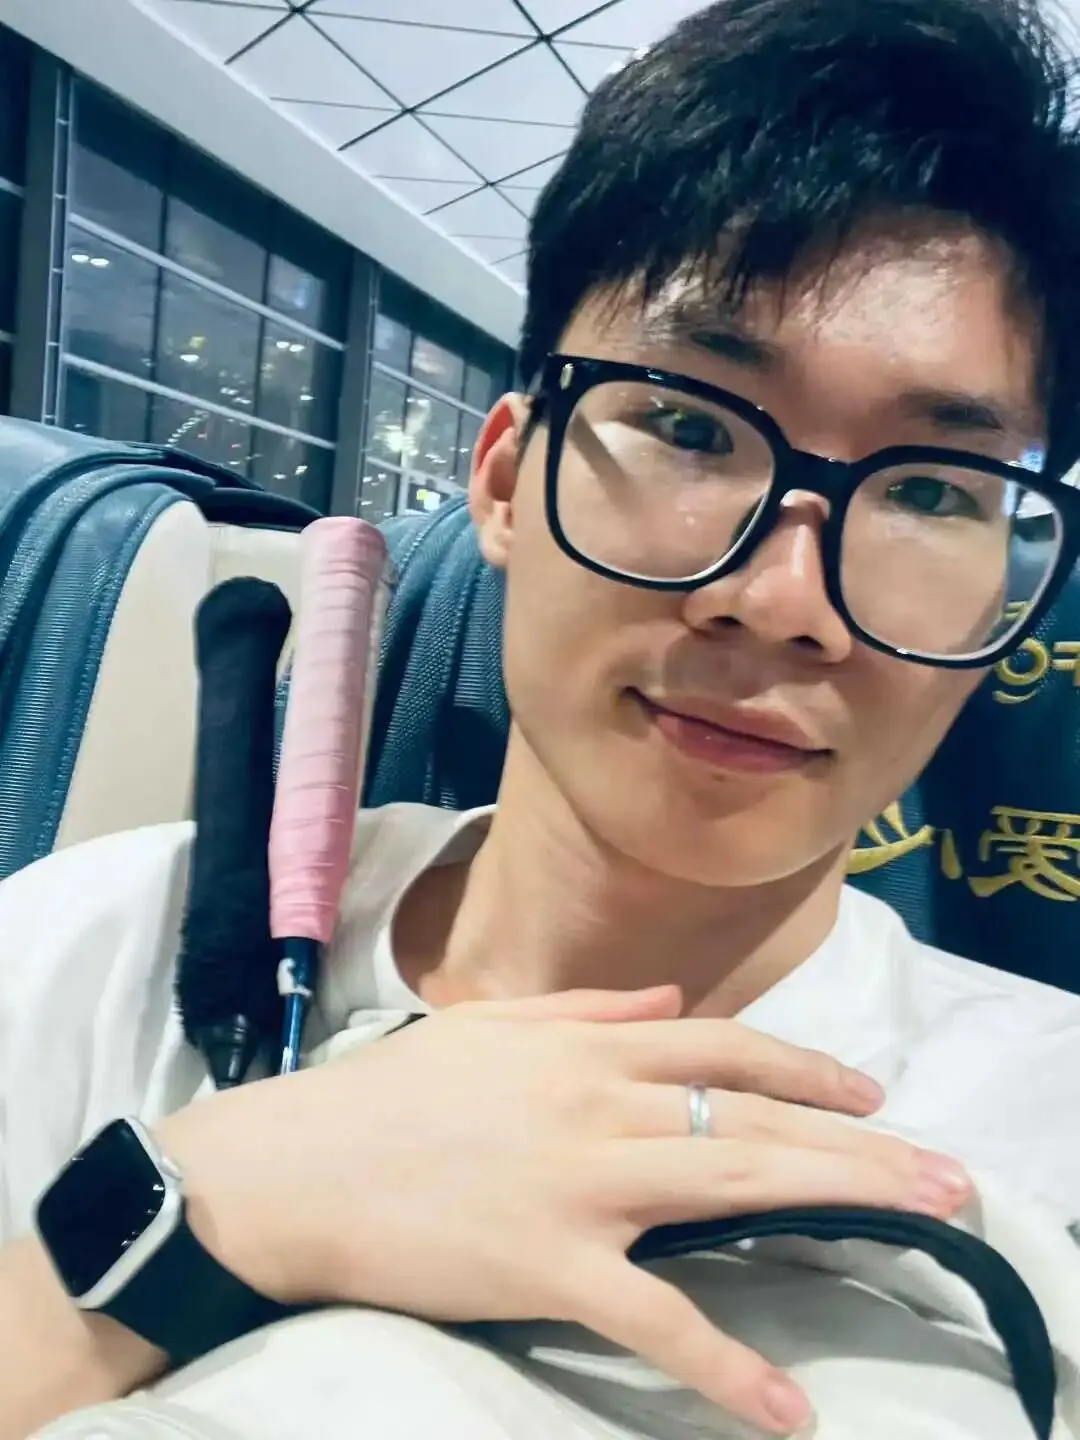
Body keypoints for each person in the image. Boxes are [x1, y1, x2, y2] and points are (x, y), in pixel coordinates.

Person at [5, 0, 1080, 1436]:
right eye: (690, 426)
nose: (784, 601)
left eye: (932, 491)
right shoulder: (95, 951)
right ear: (506, 481)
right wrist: (224, 1203)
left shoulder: (1045, 1128)